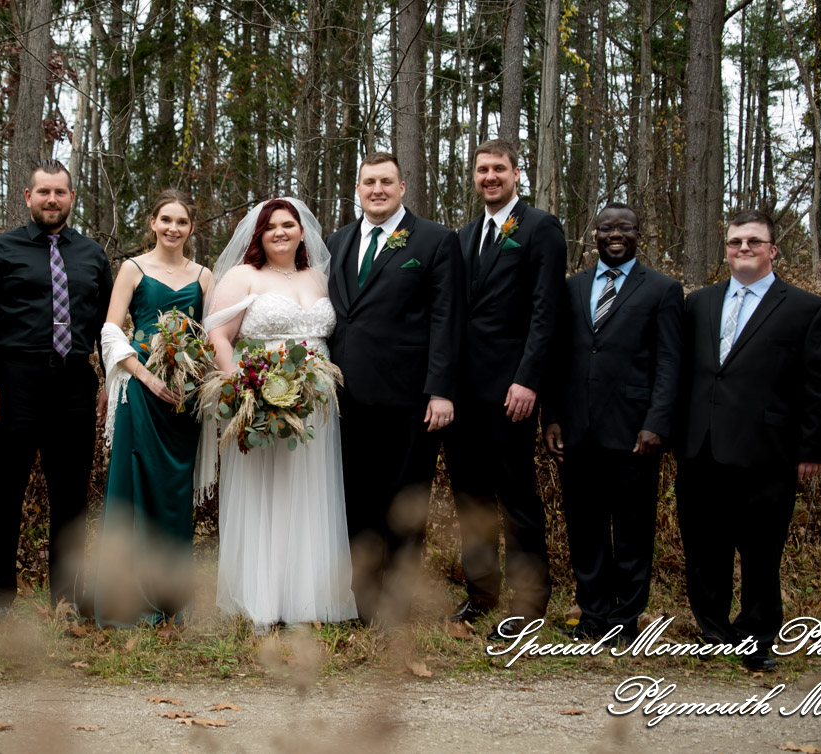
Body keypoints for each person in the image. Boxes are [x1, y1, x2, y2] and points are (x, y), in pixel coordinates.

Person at [676, 209, 821, 671]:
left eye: (753, 241)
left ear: (773, 249)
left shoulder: (806, 308)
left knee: (762, 549)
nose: (742, 249)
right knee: (705, 547)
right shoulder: (699, 304)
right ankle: (713, 631)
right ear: (725, 250)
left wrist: (812, 449)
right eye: (734, 243)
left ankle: (757, 637)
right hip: (701, 447)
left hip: (769, 451)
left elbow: (817, 385)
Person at [0, 159, 113, 615]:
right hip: (13, 380)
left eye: (59, 192)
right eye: (42, 192)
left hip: (75, 384)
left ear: (71, 198)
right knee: (5, 491)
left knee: (71, 497)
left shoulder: (92, 255)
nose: (51, 199)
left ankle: (65, 600)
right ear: (27, 197)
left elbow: (107, 324)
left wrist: (108, 379)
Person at [203, 197, 357, 629]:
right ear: (259, 234)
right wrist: (244, 390)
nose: (280, 233)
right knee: (268, 494)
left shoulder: (320, 277)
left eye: (288, 225)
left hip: (319, 402)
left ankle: (309, 601)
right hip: (264, 397)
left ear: (302, 231)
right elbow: (218, 333)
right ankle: (264, 601)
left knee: (312, 493)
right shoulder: (243, 276)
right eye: (271, 227)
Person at [325, 154, 464, 625]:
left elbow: (447, 319)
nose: (377, 189)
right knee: (356, 503)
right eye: (369, 182)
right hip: (345, 402)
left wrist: (442, 390)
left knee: (404, 504)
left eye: (386, 181)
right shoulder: (338, 240)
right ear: (358, 188)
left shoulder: (436, 240)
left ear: (403, 187)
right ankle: (361, 603)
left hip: (410, 401)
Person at [542, 202, 683, 645]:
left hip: (634, 433)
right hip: (577, 431)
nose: (615, 234)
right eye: (606, 228)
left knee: (632, 531)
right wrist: (552, 417)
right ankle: (592, 614)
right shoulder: (570, 288)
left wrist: (657, 422)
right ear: (594, 236)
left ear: (640, 234)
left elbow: (669, 362)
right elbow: (557, 358)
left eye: (625, 227)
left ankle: (625, 620)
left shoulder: (662, 290)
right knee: (584, 529)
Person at [444, 139, 567, 637]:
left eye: (499, 169)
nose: (490, 177)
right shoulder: (466, 233)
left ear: (518, 174)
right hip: (463, 391)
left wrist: (527, 379)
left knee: (516, 495)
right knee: (469, 496)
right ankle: (481, 591)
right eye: (482, 170)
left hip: (511, 390)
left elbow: (546, 312)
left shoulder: (540, 228)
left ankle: (529, 598)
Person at [93, 190, 212, 627]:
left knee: (175, 493)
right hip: (142, 392)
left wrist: (201, 377)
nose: (173, 228)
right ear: (152, 222)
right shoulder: (133, 268)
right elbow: (110, 330)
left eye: (182, 221)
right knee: (134, 488)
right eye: (166, 219)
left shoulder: (204, 276)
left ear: (191, 228)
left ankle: (171, 597)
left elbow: (214, 335)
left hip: (185, 400)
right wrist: (144, 375)